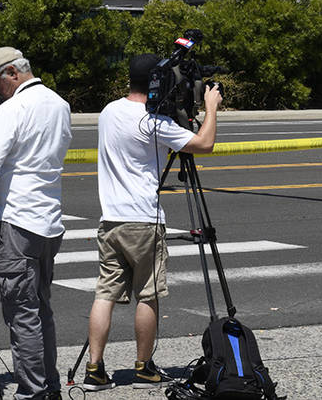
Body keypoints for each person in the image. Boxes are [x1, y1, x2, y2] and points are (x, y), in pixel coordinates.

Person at [82, 54, 223, 391]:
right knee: (148, 295)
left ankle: (94, 370)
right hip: (143, 220)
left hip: (111, 220)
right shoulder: (152, 122)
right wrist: (211, 107)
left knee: (105, 295)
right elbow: (204, 144)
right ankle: (144, 367)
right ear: (161, 83)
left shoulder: (109, 111)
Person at [0, 47, 71, 400]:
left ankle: (32, 391)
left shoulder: (13, 108)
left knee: (22, 313)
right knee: (41, 307)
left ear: (12, 72)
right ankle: (50, 385)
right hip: (50, 221)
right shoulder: (59, 104)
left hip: (20, 222)